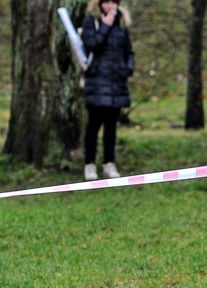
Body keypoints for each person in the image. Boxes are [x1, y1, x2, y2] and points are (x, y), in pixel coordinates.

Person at [80, 0, 135, 180]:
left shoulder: (122, 24)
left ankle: (109, 163)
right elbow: (92, 44)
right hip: (96, 82)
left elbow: (128, 51)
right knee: (93, 125)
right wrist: (105, 26)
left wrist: (127, 68)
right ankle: (89, 164)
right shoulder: (91, 22)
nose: (111, 6)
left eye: (114, 2)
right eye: (107, 2)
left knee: (111, 126)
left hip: (116, 82)